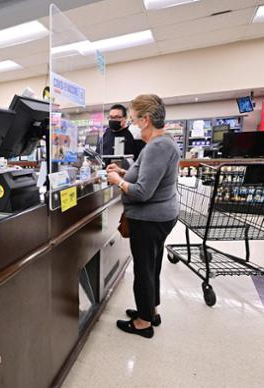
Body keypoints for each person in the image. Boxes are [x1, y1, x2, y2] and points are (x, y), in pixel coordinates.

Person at [106, 94, 180, 339]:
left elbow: (143, 192)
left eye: (135, 119)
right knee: (152, 266)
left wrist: (118, 181)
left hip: (150, 218)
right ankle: (151, 309)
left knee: (144, 269)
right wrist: (125, 172)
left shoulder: (157, 147)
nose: (134, 123)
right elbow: (149, 177)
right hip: (160, 216)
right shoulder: (163, 143)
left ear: (146, 119)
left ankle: (143, 322)